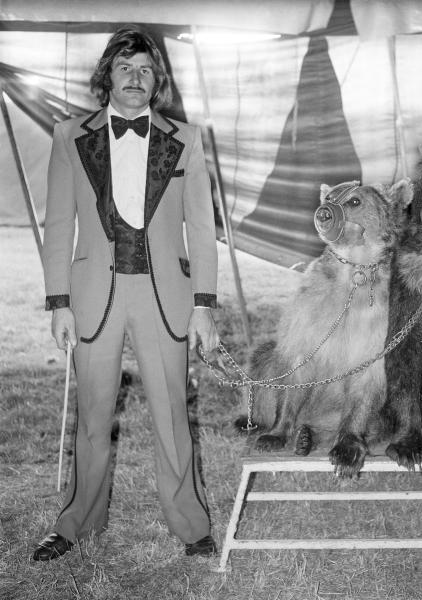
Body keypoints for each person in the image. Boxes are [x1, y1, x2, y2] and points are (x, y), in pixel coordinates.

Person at [33, 25, 220, 561]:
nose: (136, 79)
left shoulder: (186, 139)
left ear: (157, 79)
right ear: (106, 75)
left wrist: (204, 306)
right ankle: (76, 523)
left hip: (166, 299)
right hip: (95, 298)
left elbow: (201, 230)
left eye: (146, 70)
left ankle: (191, 526)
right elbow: (59, 223)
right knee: (91, 417)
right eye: (125, 68)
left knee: (172, 417)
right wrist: (58, 302)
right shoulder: (70, 135)